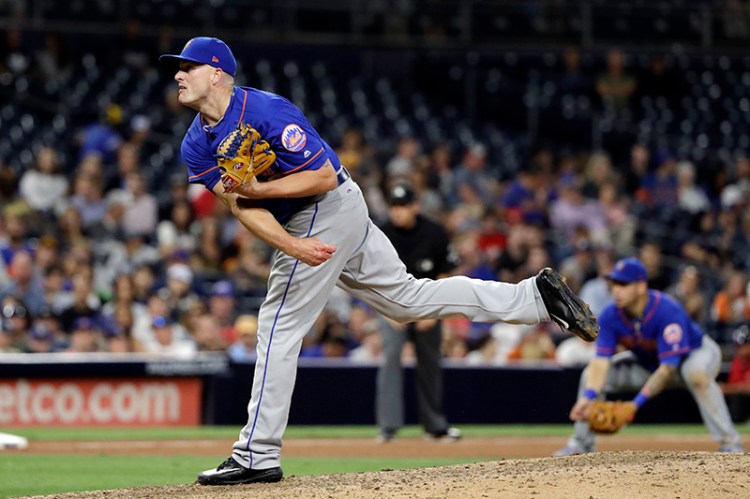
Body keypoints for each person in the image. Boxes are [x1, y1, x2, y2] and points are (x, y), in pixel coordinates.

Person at [159, 36, 599, 486]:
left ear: (217, 73)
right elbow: (239, 207)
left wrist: (261, 192)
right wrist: (290, 244)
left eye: (186, 67)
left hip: (327, 204)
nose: (177, 74)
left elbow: (322, 175)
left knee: (276, 324)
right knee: (407, 300)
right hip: (314, 220)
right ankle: (535, 299)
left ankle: (256, 453)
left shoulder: (267, 111)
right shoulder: (196, 143)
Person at [554, 257, 744, 456]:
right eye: (614, 283)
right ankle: (581, 444)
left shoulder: (667, 309)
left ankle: (730, 442)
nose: (616, 289)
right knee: (588, 375)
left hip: (694, 355)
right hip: (649, 364)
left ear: (641, 286)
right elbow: (601, 362)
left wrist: (634, 405)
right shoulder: (610, 315)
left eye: (623, 284)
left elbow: (668, 368)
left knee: (695, 374)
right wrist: (588, 397)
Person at [375, 182, 460, 443]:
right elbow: (372, 276)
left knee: (431, 364)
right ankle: (388, 428)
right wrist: (387, 310)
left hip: (427, 304)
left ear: (415, 206)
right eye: (394, 206)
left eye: (403, 206)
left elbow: (444, 273)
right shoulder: (381, 232)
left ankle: (435, 426)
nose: (397, 212)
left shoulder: (434, 232)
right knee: (390, 361)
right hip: (391, 304)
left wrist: (434, 312)